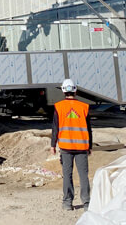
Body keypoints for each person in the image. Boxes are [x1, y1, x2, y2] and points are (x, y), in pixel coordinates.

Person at [51, 78, 92, 211]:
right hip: (82, 147)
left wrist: (53, 145)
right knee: (83, 175)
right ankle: (87, 204)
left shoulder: (58, 106)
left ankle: (67, 203)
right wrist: (90, 145)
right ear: (75, 90)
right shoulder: (84, 107)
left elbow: (55, 127)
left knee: (67, 175)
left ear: (63, 91)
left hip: (65, 147)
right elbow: (89, 128)